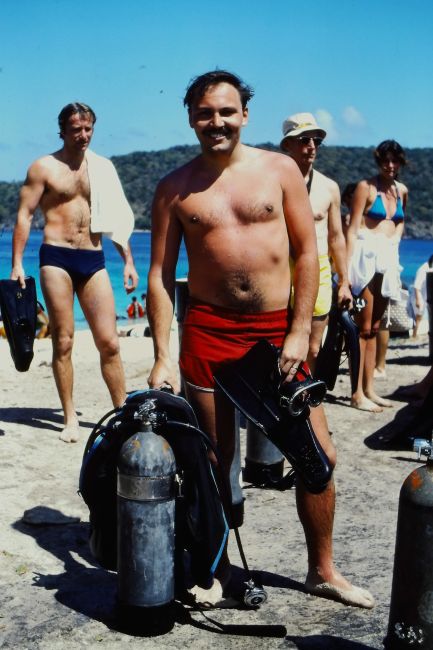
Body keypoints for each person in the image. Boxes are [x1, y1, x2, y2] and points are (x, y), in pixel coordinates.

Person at [147, 70, 374, 609]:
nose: (216, 122)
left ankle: (322, 569)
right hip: (207, 332)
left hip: (276, 334)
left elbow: (304, 253)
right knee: (212, 459)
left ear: (245, 115)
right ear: (191, 118)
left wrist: (299, 331)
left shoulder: (280, 171)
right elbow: (159, 275)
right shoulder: (174, 187)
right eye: (205, 113)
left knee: (318, 456)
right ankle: (217, 569)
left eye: (227, 112)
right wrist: (161, 356)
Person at [11, 102, 138, 442]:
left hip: (93, 258)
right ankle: (69, 418)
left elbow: (116, 217)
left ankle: (123, 412)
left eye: (88, 129)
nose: (83, 136)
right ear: (62, 131)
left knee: (110, 343)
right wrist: (17, 263)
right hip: (56, 257)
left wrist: (127, 260)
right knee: (64, 340)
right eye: (76, 130)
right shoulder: (44, 167)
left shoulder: (103, 168)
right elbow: (24, 215)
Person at [280, 112, 352, 372]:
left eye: (316, 140)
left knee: (312, 345)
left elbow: (336, 237)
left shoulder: (329, 187)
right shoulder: (273, 182)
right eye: (304, 139)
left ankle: (303, 393)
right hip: (280, 267)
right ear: (287, 144)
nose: (311, 146)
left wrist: (344, 281)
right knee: (279, 339)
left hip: (319, 268)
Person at [346, 140, 408, 412]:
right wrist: (346, 275)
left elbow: (401, 220)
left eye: (395, 161)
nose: (390, 166)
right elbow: (351, 227)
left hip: (387, 260)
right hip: (364, 261)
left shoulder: (401, 190)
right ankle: (356, 392)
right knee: (362, 326)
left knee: (375, 328)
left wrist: (395, 240)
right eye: (385, 160)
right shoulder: (365, 187)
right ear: (378, 160)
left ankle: (370, 388)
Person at [408, 255, 433, 338]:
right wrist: (418, 299)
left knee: (420, 316)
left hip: (425, 296)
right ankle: (414, 334)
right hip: (418, 295)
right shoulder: (423, 269)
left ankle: (415, 334)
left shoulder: (430, 268)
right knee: (418, 316)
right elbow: (416, 285)